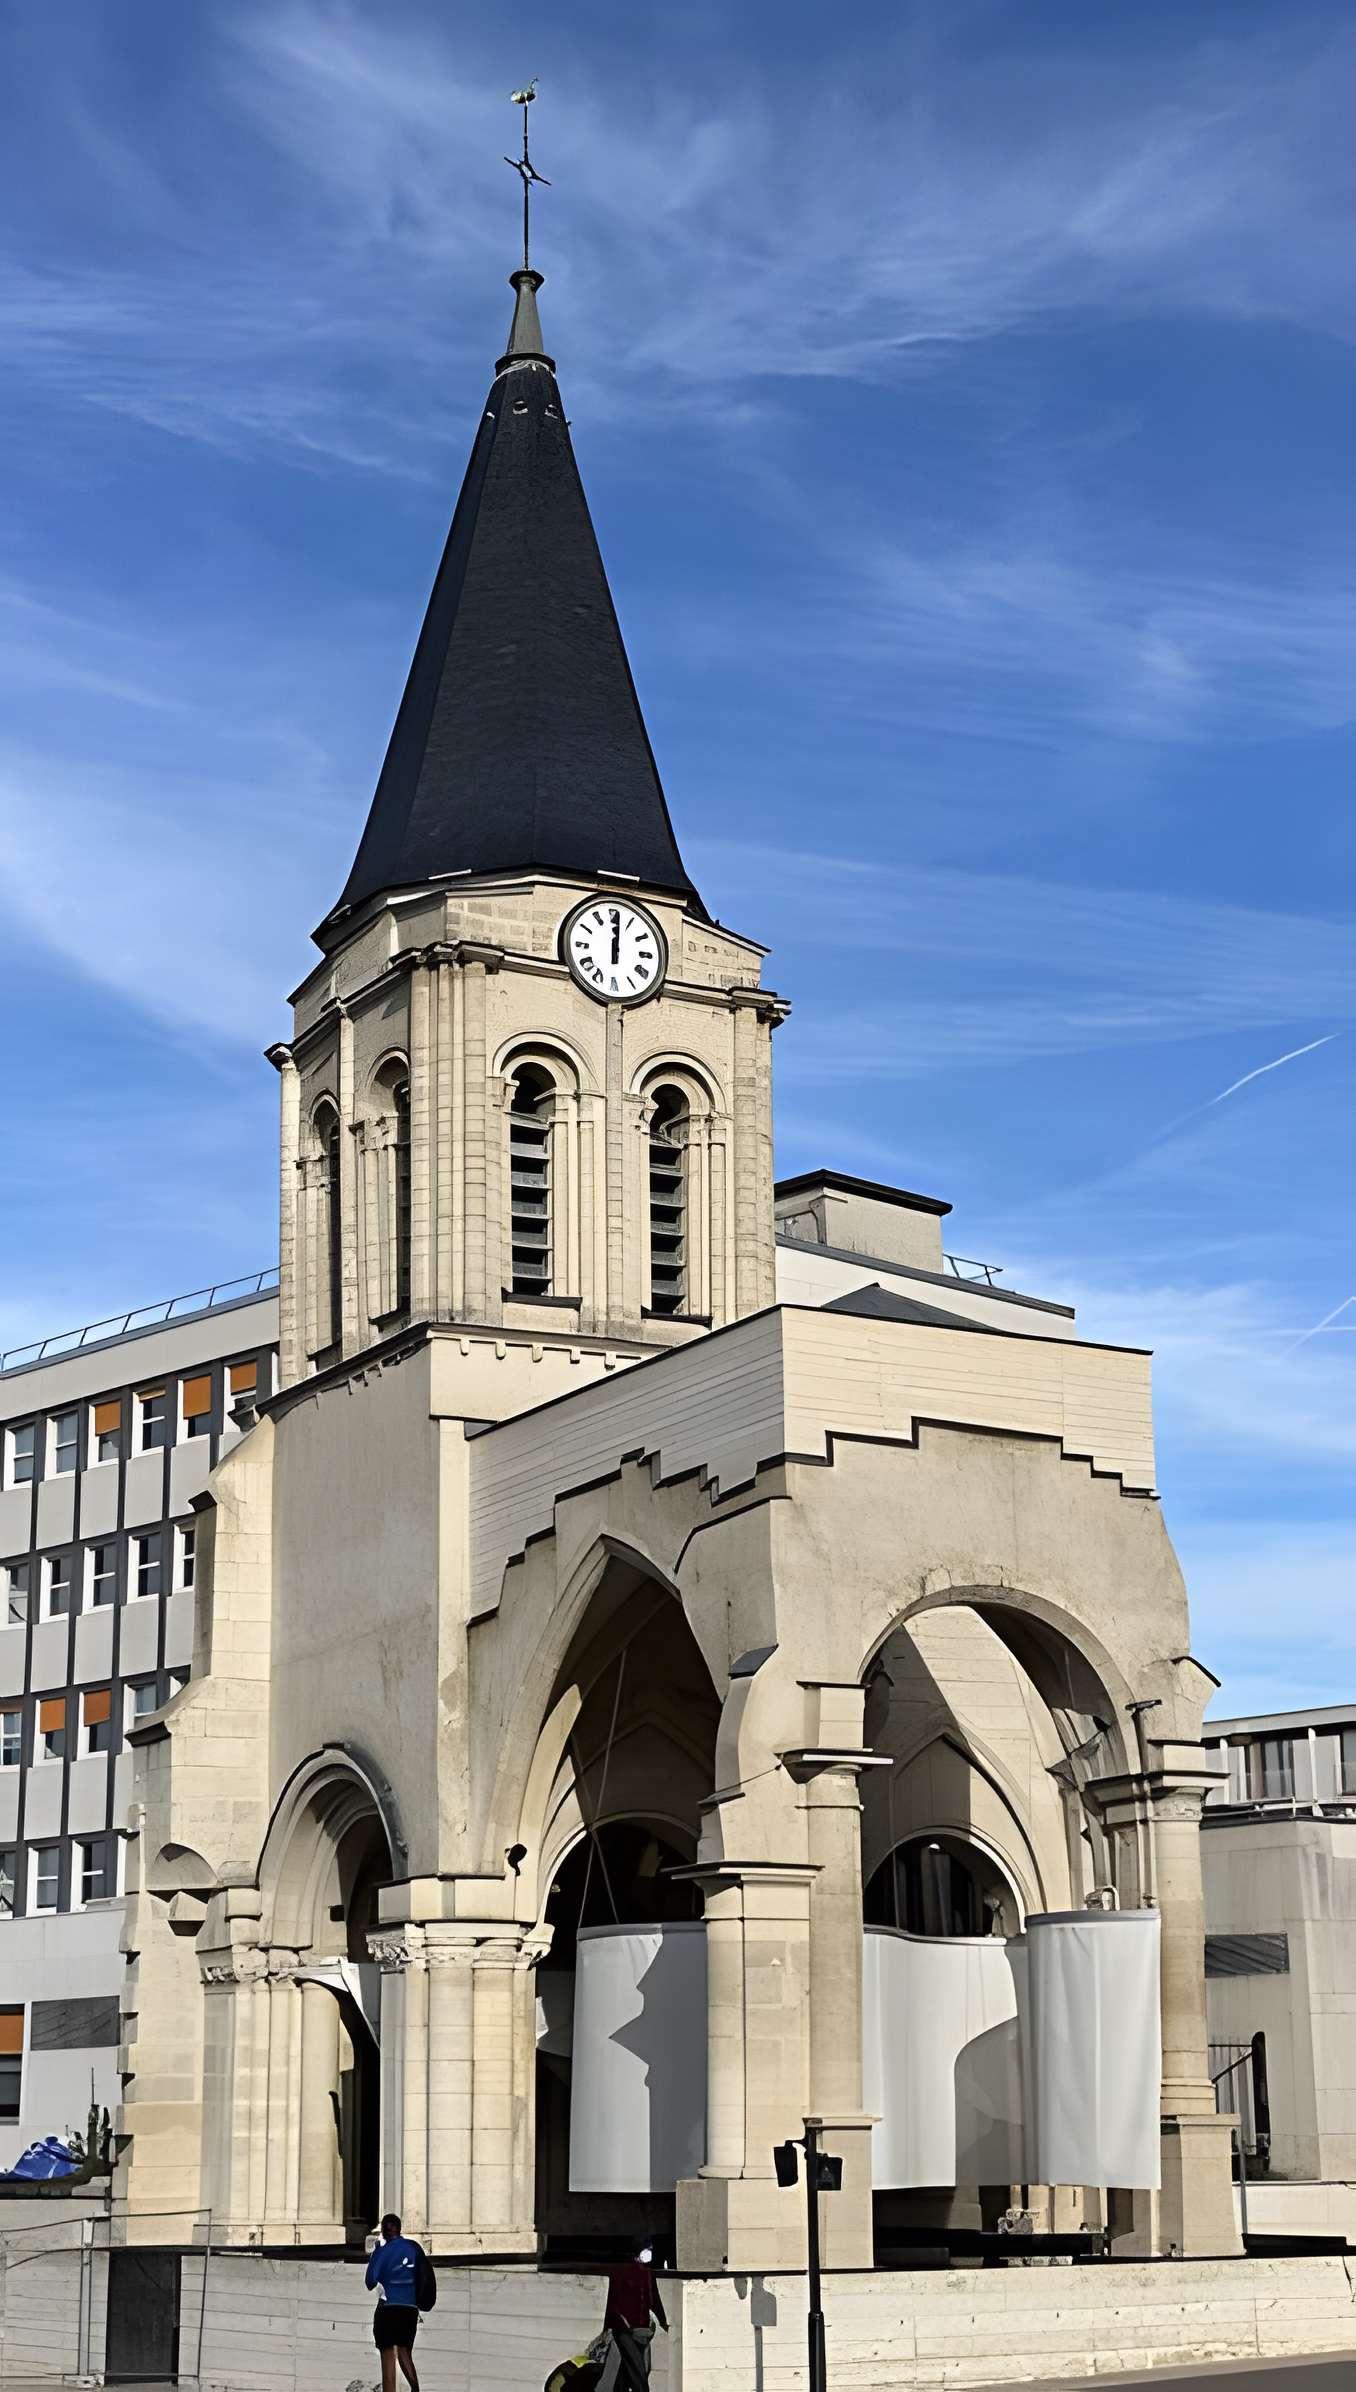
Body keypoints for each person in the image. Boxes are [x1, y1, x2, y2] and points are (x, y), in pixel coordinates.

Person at [365, 2211, 424, 2392]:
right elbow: (423, 2274)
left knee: (388, 2354)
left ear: (383, 2231)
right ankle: (415, 2388)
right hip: (410, 2308)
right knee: (405, 2351)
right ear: (399, 2229)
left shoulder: (382, 2251)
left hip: (388, 2308)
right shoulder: (414, 2248)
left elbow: (370, 2282)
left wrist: (376, 2253)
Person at [601, 2244, 667, 2392]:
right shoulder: (639, 2271)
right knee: (637, 2371)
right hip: (629, 2329)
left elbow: (613, 2301)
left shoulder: (631, 2271)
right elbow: (653, 2298)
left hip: (632, 2328)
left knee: (628, 2368)